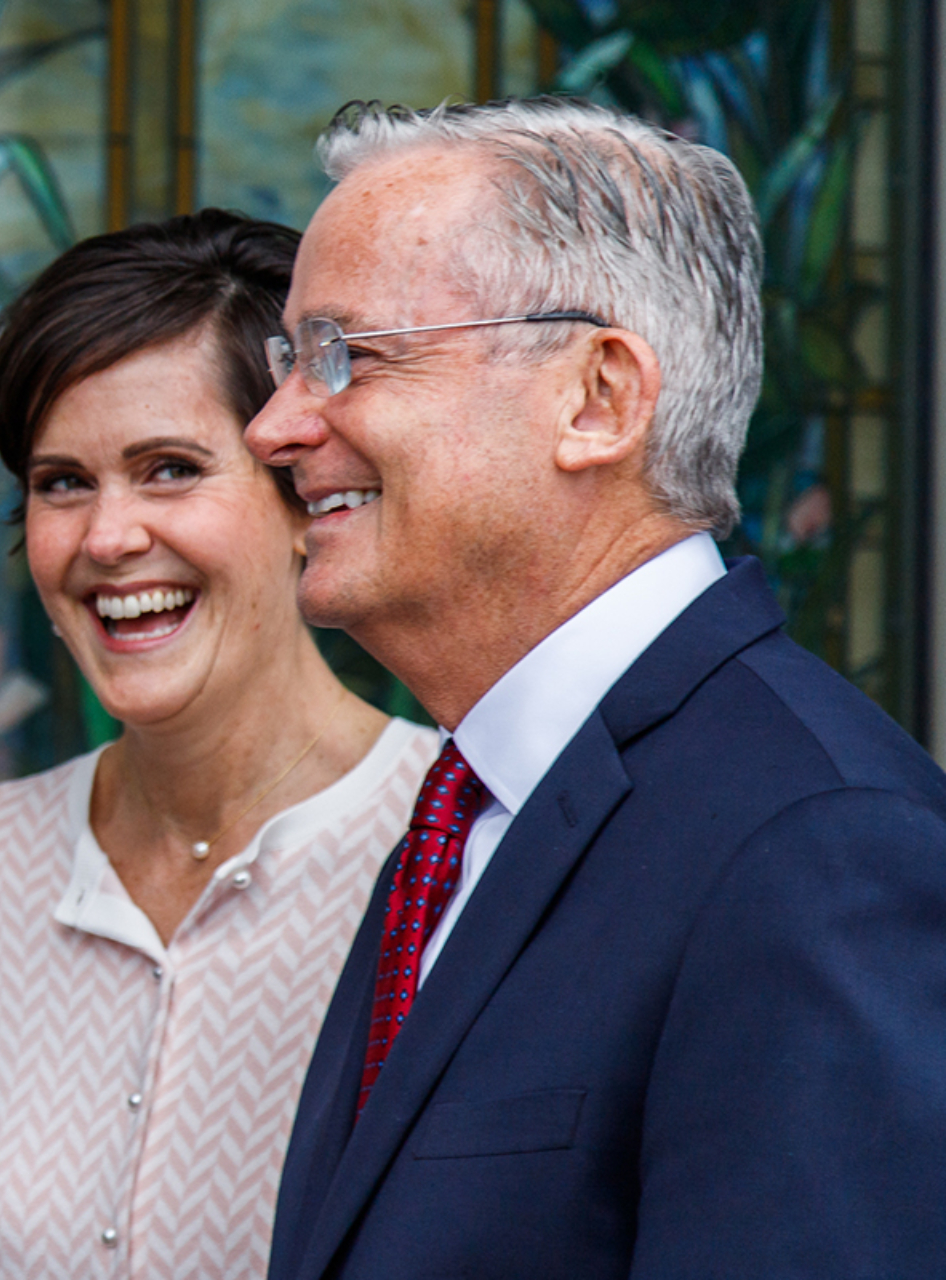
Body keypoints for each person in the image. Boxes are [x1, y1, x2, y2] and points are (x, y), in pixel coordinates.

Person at [246, 98, 946, 1279]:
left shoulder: (818, 843)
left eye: (342, 356)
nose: (273, 426)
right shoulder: (471, 806)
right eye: (286, 361)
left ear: (596, 398)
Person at [0, 210, 440, 1278]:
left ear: (301, 497)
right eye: (61, 482)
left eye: (169, 468)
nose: (105, 537)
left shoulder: (455, 850)